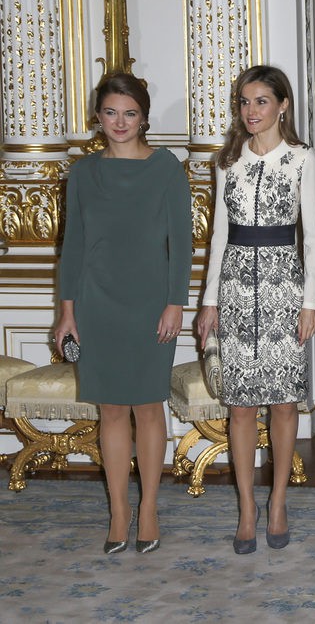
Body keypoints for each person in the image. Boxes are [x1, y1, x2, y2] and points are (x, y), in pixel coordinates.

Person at [54, 73, 192, 555]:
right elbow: (72, 247)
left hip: (152, 304)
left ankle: (149, 507)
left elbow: (182, 241)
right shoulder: (83, 173)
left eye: (129, 113)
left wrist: (176, 302)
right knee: (110, 409)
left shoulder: (167, 169)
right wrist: (67, 312)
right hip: (97, 304)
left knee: (147, 408)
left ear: (144, 118)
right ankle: (118, 511)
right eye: (111, 112)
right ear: (98, 117)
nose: (119, 121)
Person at [197, 65, 315, 555]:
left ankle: (278, 503)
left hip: (284, 290)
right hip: (234, 290)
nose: (252, 112)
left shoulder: (301, 159)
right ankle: (247, 508)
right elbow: (219, 237)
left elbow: (311, 237)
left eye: (262, 101)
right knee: (241, 405)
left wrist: (310, 303)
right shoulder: (227, 161)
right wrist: (209, 301)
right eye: (245, 102)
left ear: (283, 105)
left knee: (284, 404)